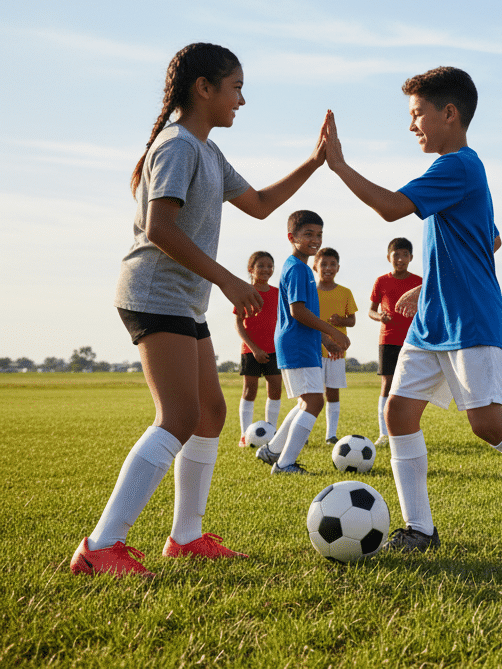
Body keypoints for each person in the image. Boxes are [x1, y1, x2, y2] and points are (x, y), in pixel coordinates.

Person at [70, 42, 327, 577]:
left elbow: (258, 205)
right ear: (202, 88)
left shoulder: (208, 151)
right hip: (153, 294)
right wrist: (230, 281)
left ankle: (185, 537)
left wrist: (316, 160)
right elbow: (159, 228)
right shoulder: (179, 146)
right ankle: (100, 546)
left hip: (184, 300)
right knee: (180, 416)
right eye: (235, 87)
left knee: (210, 413)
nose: (241, 99)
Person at [322, 66, 502, 554]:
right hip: (432, 322)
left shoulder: (458, 165)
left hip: (469, 319)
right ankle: (420, 530)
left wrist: (338, 165)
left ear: (449, 113)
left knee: (486, 423)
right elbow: (492, 238)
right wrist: (428, 291)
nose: (412, 126)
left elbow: (389, 207)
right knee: (399, 414)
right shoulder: (461, 172)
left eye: (417, 114)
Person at [256, 211, 350, 474]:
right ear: (292, 237)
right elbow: (298, 311)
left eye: (319, 234)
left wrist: (324, 340)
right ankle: (284, 464)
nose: (315, 239)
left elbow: (304, 313)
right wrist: (334, 332)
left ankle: (272, 450)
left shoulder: (302, 268)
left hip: (301, 342)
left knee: (304, 402)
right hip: (296, 343)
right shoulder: (297, 269)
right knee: (314, 402)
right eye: (308, 234)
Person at [370, 237, 419, 446]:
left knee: (409, 386)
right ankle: (384, 433)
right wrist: (379, 316)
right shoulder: (382, 281)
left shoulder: (420, 282)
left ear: (411, 257)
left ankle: (408, 431)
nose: (400, 259)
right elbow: (371, 311)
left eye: (404, 254)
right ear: (389, 257)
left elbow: (429, 309)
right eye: (396, 254)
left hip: (413, 340)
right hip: (388, 339)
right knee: (387, 384)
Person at [234, 251, 283, 447]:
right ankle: (245, 436)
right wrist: (254, 349)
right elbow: (239, 323)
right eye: (261, 265)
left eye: (270, 266)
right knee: (249, 391)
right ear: (251, 270)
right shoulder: (245, 292)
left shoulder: (278, 293)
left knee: (275, 390)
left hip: (274, 350)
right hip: (251, 350)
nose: (266, 269)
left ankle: (271, 432)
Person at [315, 247, 357, 444]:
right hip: (313, 350)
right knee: (310, 393)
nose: (328, 268)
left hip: (336, 352)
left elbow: (352, 321)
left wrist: (341, 320)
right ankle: (304, 432)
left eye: (332, 264)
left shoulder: (345, 292)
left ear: (338, 267)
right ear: (315, 266)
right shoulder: (310, 292)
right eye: (323, 264)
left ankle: (330, 435)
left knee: (332, 392)